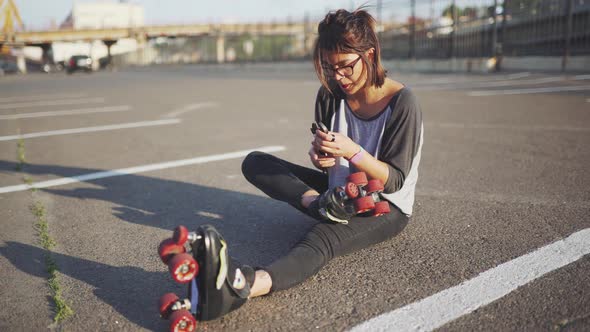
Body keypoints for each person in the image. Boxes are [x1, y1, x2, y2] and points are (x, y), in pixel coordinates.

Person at [193, 8, 424, 321]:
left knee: (321, 238)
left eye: (345, 66)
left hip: (383, 204)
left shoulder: (402, 102)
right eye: (329, 67)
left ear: (369, 55)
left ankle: (242, 286)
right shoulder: (330, 94)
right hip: (337, 191)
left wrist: (353, 151)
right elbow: (330, 163)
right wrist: (323, 159)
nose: (338, 76)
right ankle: (318, 205)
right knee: (256, 163)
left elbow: (394, 179)